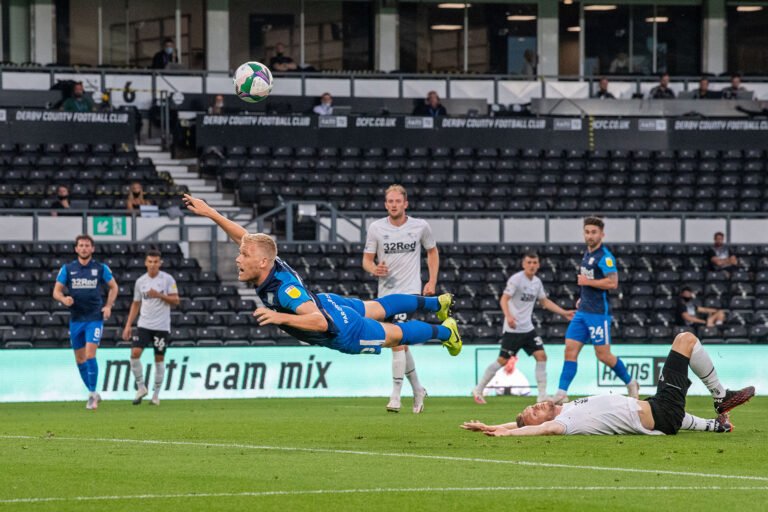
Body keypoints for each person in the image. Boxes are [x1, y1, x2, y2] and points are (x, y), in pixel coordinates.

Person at [182, 193, 462, 358]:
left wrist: (280, 317)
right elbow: (244, 237)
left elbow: (317, 321)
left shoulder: (283, 291)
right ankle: (438, 303)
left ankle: (446, 331)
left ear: (262, 261)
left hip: (341, 329)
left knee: (394, 335)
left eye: (244, 256)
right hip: (327, 302)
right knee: (379, 306)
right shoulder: (269, 261)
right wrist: (210, 213)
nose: (238, 258)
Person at [460, 332, 755, 436]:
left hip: (659, 412)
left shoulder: (565, 409)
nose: (537, 405)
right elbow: (540, 428)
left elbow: (530, 423)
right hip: (663, 411)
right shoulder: (566, 423)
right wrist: (505, 435)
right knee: (685, 340)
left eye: (532, 405)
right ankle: (721, 396)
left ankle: (718, 425)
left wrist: (494, 425)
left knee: (654, 409)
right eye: (534, 410)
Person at [363, 185, 438, 414]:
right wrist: (375, 269)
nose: (394, 204)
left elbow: (432, 252)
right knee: (400, 343)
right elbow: (366, 260)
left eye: (398, 201)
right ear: (386, 204)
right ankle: (418, 389)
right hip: (385, 296)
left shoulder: (420, 226)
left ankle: (395, 395)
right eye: (390, 201)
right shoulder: (376, 228)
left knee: (397, 341)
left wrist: (431, 281)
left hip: (409, 293)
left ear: (406, 203)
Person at [553, 217, 638, 405]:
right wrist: (583, 296)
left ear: (602, 234)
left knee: (603, 355)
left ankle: (631, 383)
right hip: (583, 312)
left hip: (598, 314)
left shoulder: (605, 257)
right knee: (570, 350)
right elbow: (590, 283)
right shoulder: (586, 254)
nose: (590, 235)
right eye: (587, 232)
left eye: (594, 232)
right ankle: (561, 392)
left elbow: (613, 282)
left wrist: (587, 282)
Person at [473, 252, 574, 404]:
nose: (532, 265)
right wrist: (508, 316)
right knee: (502, 360)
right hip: (513, 330)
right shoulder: (516, 279)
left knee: (541, 356)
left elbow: (544, 302)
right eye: (529, 262)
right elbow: (504, 299)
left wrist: (564, 312)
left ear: (538, 265)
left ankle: (542, 395)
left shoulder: (537, 282)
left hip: (528, 329)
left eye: (535, 262)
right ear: (523, 264)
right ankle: (479, 389)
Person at [52, 234, 119, 410]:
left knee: (90, 355)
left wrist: (108, 306)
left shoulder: (100, 268)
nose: (84, 248)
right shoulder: (67, 269)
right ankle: (93, 392)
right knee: (80, 359)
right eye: (81, 245)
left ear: (92, 248)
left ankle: (91, 395)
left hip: (94, 318)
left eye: (87, 245)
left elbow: (114, 286)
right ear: (76, 249)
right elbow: (56, 291)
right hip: (76, 319)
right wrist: (63, 299)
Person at [121, 250, 179, 406]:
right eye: (150, 262)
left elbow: (176, 300)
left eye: (156, 262)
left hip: (161, 326)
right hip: (144, 324)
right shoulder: (141, 282)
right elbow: (136, 303)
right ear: (146, 263)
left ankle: (156, 395)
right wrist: (128, 325)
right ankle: (141, 387)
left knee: (159, 358)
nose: (153, 265)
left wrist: (159, 295)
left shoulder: (167, 279)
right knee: (134, 353)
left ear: (160, 263)